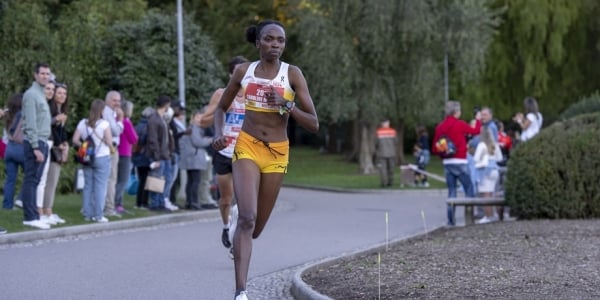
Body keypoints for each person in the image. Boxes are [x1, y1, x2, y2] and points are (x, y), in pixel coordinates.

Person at [212, 20, 319, 300]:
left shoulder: (292, 74)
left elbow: (314, 124)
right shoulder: (243, 71)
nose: (275, 45)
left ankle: (240, 222)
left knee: (255, 229)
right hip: (247, 145)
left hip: (277, 152)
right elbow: (221, 108)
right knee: (248, 219)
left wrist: (286, 104)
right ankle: (241, 292)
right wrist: (219, 133)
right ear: (258, 43)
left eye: (280, 41)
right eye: (269, 39)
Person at [202, 55, 249, 249]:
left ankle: (237, 236)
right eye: (237, 73)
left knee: (244, 198)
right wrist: (222, 109)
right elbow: (203, 121)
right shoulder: (221, 94)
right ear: (231, 74)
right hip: (223, 152)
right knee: (226, 198)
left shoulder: (253, 94)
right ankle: (225, 225)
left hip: (245, 152)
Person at [431, 100, 481, 226]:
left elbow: (434, 147)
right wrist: (478, 119)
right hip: (460, 161)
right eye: (459, 111)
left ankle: (451, 221)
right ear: (456, 112)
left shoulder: (440, 127)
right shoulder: (460, 124)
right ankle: (469, 218)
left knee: (451, 191)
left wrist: (442, 155)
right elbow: (475, 131)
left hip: (448, 162)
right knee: (469, 188)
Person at [21, 62, 53, 229]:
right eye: (42, 73)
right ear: (35, 75)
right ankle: (30, 216)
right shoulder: (31, 95)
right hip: (35, 142)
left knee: (36, 180)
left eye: (47, 74)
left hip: (43, 141)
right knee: (31, 179)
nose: (45, 76)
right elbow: (30, 123)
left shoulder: (41, 95)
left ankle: (35, 215)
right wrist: (35, 147)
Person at [72, 99, 113, 223]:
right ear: (102, 110)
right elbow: (110, 142)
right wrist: (107, 143)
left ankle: (87, 214)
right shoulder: (104, 124)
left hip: (87, 158)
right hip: (102, 157)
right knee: (100, 186)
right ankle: (98, 215)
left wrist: (85, 145)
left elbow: (75, 140)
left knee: (88, 186)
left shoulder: (83, 123)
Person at [42, 82, 69, 225]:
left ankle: (49, 209)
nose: (62, 96)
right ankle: (46, 211)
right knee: (50, 182)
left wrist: (65, 144)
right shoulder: (51, 110)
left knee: (53, 181)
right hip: (51, 149)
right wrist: (60, 145)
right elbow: (50, 130)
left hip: (58, 148)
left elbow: (61, 132)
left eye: (64, 93)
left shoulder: (60, 111)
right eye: (59, 93)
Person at [146, 95, 176, 212]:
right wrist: (156, 157)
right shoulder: (154, 119)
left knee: (166, 179)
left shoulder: (162, 119)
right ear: (166, 105)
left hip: (165, 155)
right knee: (156, 179)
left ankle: (161, 201)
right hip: (159, 155)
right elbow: (153, 139)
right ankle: (155, 203)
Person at [179, 109, 213, 209]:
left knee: (191, 181)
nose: (200, 119)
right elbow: (197, 142)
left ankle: (189, 202)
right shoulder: (195, 128)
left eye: (201, 117)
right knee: (195, 181)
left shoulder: (192, 128)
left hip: (191, 158)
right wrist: (208, 140)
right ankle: (193, 202)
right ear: (193, 118)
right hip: (194, 158)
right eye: (198, 117)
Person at [35, 80, 56, 222]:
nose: (50, 91)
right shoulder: (39, 104)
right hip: (40, 142)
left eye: (52, 89)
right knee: (40, 179)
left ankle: (41, 210)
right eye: (47, 88)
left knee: (42, 179)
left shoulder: (47, 105)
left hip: (47, 142)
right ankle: (38, 211)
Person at [473, 127, 503, 224]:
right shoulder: (495, 145)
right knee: (492, 193)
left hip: (484, 171)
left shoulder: (481, 145)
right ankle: (495, 214)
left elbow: (476, 159)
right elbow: (500, 158)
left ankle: (489, 216)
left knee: (485, 195)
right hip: (494, 170)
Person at [103, 90, 124, 217]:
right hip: (109, 148)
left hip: (112, 148)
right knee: (111, 179)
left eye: (118, 100)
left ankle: (108, 206)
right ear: (108, 100)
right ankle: (109, 208)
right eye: (114, 100)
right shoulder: (107, 112)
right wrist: (121, 119)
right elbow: (115, 131)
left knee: (111, 179)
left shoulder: (112, 113)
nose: (117, 103)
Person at [115, 100, 138, 213]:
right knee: (123, 180)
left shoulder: (117, 120)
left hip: (117, 151)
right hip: (124, 153)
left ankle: (117, 202)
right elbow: (134, 138)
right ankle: (117, 202)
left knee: (116, 179)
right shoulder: (126, 122)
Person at [3, 94, 25, 210]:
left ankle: (7, 205)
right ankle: (20, 199)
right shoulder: (22, 115)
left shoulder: (8, 116)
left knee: (10, 179)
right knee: (31, 175)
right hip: (20, 147)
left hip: (9, 148)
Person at [132, 107, 154, 209]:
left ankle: (138, 202)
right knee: (147, 180)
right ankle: (144, 202)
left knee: (141, 180)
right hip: (146, 155)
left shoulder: (137, 126)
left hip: (137, 155)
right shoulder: (148, 127)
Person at [375, 119, 398, 187]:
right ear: (388, 123)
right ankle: (390, 181)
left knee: (383, 168)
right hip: (391, 152)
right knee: (391, 168)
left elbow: (376, 142)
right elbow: (396, 141)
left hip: (381, 152)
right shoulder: (393, 131)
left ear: (382, 124)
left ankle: (384, 182)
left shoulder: (378, 132)